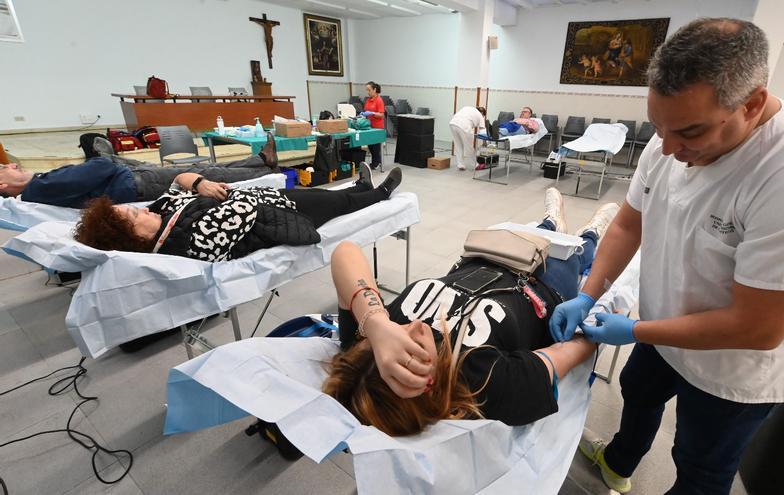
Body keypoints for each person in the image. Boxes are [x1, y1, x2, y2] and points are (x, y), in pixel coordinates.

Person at [548, 18, 784, 494]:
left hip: (735, 367)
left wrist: (635, 329)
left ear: (752, 105)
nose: (668, 148)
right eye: (660, 127)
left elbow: (757, 328)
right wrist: (589, 292)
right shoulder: (671, 139)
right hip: (663, 328)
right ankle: (618, 464)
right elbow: (627, 222)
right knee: (638, 395)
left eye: (689, 132)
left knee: (700, 463)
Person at [322, 188, 622, 436]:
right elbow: (573, 349)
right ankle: (593, 231)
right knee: (578, 252)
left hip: (489, 255)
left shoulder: (368, 353)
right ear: (428, 388)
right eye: (412, 351)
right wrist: (597, 324)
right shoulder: (488, 381)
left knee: (542, 233)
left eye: (394, 337)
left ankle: (551, 221)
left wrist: (376, 322)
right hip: (544, 283)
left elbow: (345, 252)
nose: (413, 327)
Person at [73, 165, 403, 261]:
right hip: (278, 216)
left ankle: (358, 187)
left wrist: (199, 182)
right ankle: (378, 194)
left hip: (268, 201)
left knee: (322, 194)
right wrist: (215, 193)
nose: (138, 210)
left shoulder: (161, 212)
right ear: (137, 239)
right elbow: (242, 210)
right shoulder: (189, 242)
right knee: (334, 205)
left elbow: (178, 180)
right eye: (132, 218)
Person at [0, 134, 280, 208]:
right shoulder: (42, 186)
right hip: (132, 184)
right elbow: (101, 165)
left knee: (201, 167)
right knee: (207, 174)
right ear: (3, 186)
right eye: (5, 168)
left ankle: (260, 161)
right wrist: (104, 163)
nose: (12, 164)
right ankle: (263, 170)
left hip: (127, 181)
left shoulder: (40, 186)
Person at [448, 106, 487, 171]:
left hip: (453, 123)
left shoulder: (468, 108)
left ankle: (460, 165)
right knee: (469, 147)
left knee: (458, 145)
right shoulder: (480, 115)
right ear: (482, 113)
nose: (483, 117)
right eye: (483, 116)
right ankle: (476, 165)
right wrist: (485, 142)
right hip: (464, 126)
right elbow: (482, 131)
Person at [360, 81, 385, 170]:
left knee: (375, 147)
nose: (368, 92)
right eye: (367, 90)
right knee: (370, 145)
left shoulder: (379, 100)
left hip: (377, 127)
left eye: (369, 90)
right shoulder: (368, 100)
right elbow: (366, 110)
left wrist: (372, 113)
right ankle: (375, 162)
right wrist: (363, 114)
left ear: (375, 90)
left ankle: (377, 163)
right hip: (369, 126)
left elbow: (381, 114)